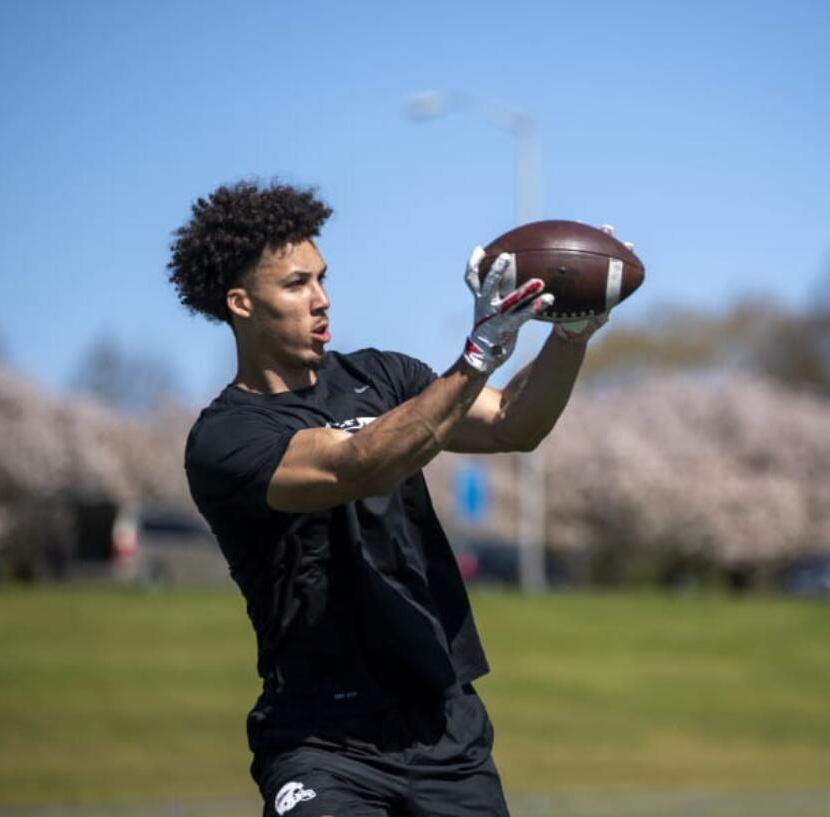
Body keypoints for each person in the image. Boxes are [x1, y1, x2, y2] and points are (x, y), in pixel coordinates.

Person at [168, 180, 625, 817]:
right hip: (322, 740)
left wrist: (569, 338)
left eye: (323, 279)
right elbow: (360, 465)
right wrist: (477, 356)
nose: (322, 300)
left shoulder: (382, 377)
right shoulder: (226, 437)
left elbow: (511, 425)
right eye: (297, 285)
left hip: (445, 731)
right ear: (241, 303)